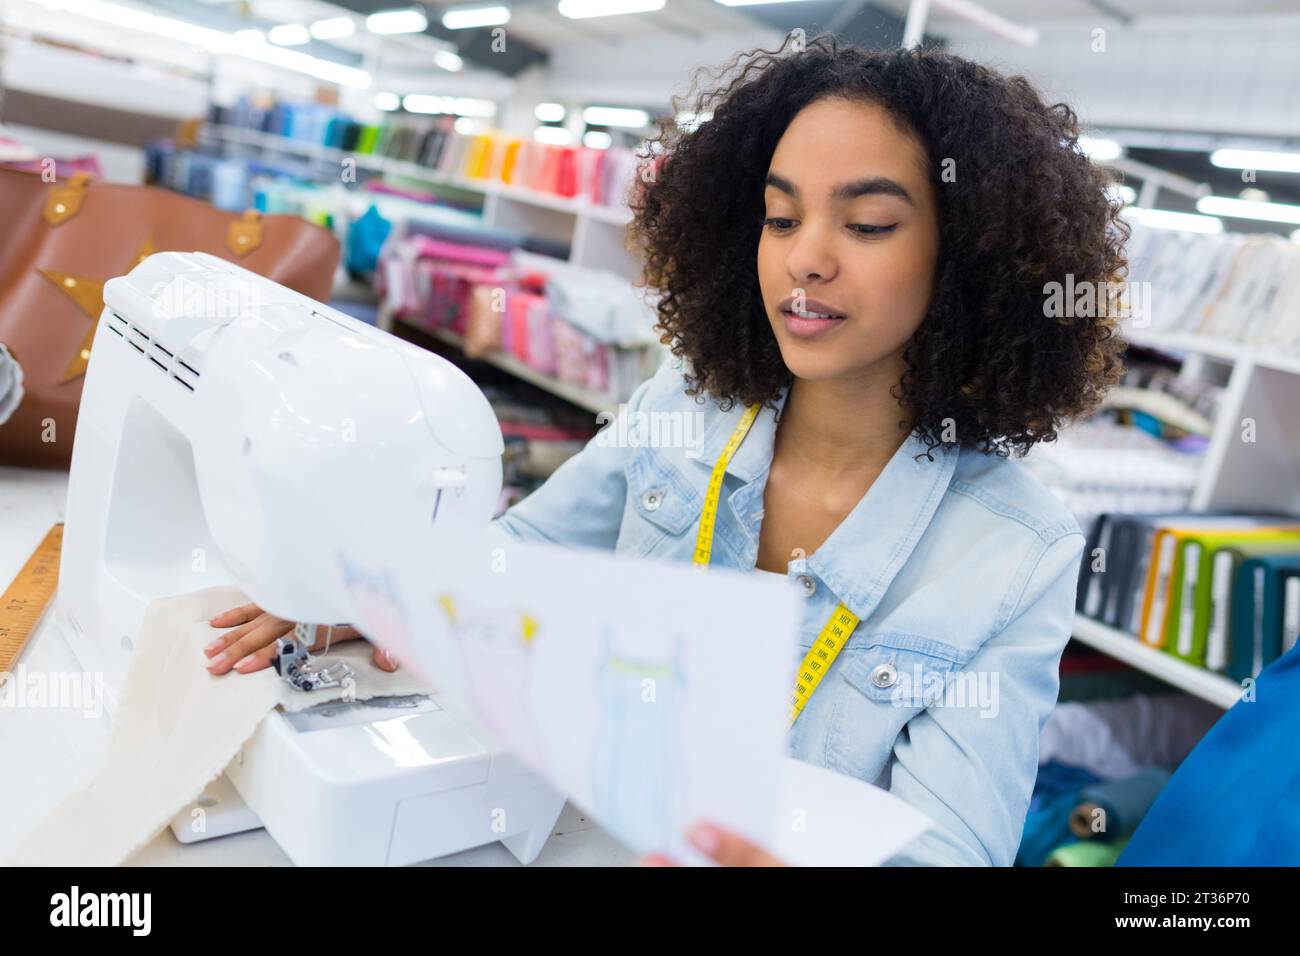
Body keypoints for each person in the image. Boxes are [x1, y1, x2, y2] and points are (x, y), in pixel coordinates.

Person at [205, 33, 1127, 866]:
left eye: (868, 224)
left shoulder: (1013, 553)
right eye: (779, 216)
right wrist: (386, 596)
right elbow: (520, 556)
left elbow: (953, 852)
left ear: (966, 255)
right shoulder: (689, 406)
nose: (806, 256)